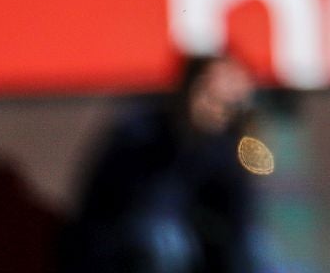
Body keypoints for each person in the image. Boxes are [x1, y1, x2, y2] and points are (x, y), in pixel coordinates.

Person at [60, 53, 262, 273]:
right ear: (193, 88)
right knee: (165, 241)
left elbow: (238, 220)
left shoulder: (223, 147)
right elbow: (137, 214)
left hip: (191, 245)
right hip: (117, 250)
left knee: (257, 249)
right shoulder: (142, 134)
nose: (222, 109)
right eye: (215, 97)